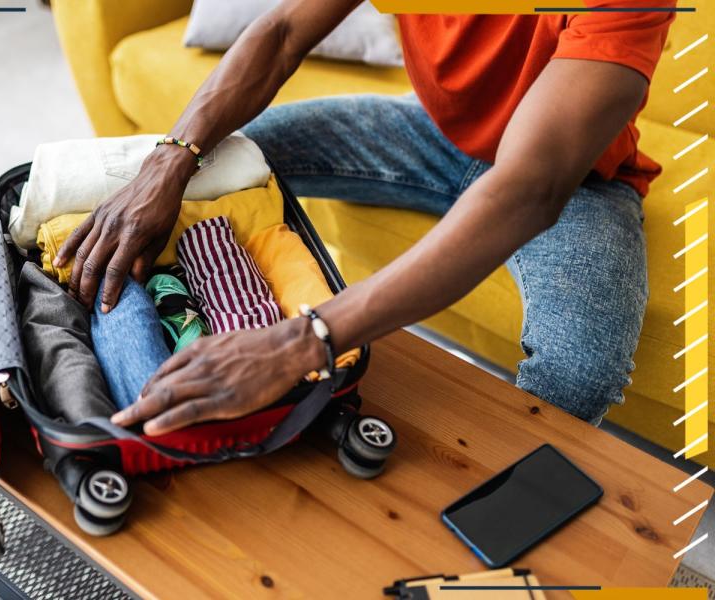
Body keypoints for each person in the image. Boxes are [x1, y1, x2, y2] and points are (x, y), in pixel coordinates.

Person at [52, 0, 674, 436]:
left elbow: (527, 188)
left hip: (573, 182)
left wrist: (303, 340)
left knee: (580, 370)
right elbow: (283, 32)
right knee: (218, 164)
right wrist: (172, 158)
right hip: (431, 129)